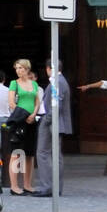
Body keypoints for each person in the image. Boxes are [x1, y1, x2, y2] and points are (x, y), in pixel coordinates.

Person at [31, 59, 72, 197]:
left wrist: (45, 120)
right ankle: (55, 187)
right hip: (55, 122)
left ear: (49, 68)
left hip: (51, 122)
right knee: (55, 155)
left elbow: (56, 105)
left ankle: (47, 186)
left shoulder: (58, 82)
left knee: (43, 153)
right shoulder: (60, 81)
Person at [7, 58, 40, 194]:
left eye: (21, 68)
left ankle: (27, 184)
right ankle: (14, 186)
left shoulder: (34, 84)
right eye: (16, 68)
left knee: (29, 154)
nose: (18, 71)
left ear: (27, 69)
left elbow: (37, 101)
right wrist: (25, 115)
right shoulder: (14, 83)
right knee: (16, 153)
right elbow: (11, 103)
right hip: (20, 120)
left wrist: (34, 114)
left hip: (32, 120)